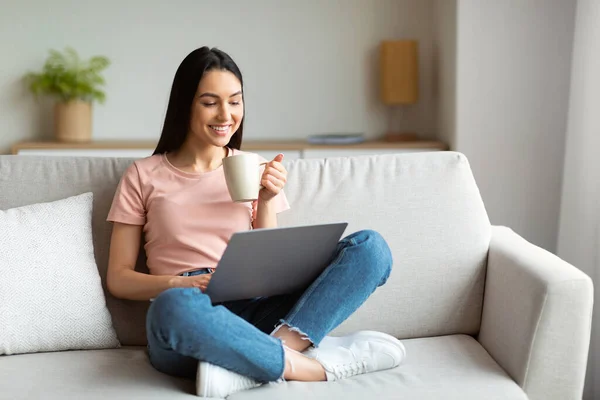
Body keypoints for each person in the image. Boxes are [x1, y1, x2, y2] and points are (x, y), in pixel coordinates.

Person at [106, 46, 406, 398]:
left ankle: (261, 358)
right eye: (209, 102)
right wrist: (180, 284)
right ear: (184, 104)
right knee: (172, 308)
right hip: (191, 314)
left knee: (371, 248)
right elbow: (119, 278)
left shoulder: (252, 166)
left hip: (256, 305)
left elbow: (271, 264)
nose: (225, 114)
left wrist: (264, 200)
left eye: (235, 101)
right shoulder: (143, 175)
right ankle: (305, 367)